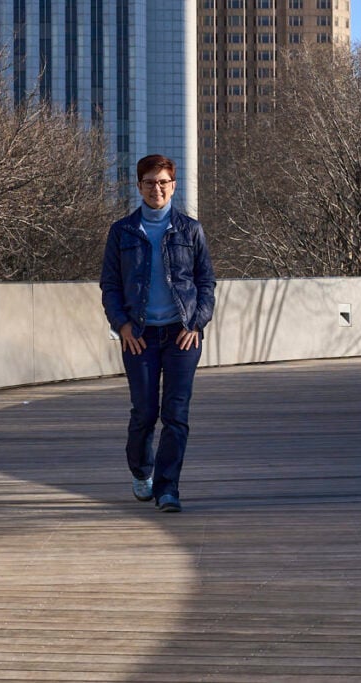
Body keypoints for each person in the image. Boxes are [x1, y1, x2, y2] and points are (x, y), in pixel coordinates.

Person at [100, 154, 216, 513]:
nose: (157, 188)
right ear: (139, 187)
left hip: (182, 335)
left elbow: (206, 282)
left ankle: (168, 489)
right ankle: (141, 470)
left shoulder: (190, 230)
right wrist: (122, 325)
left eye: (164, 181)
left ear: (174, 186)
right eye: (150, 182)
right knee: (145, 413)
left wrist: (196, 322)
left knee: (176, 414)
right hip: (140, 336)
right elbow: (110, 285)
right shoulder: (122, 232)